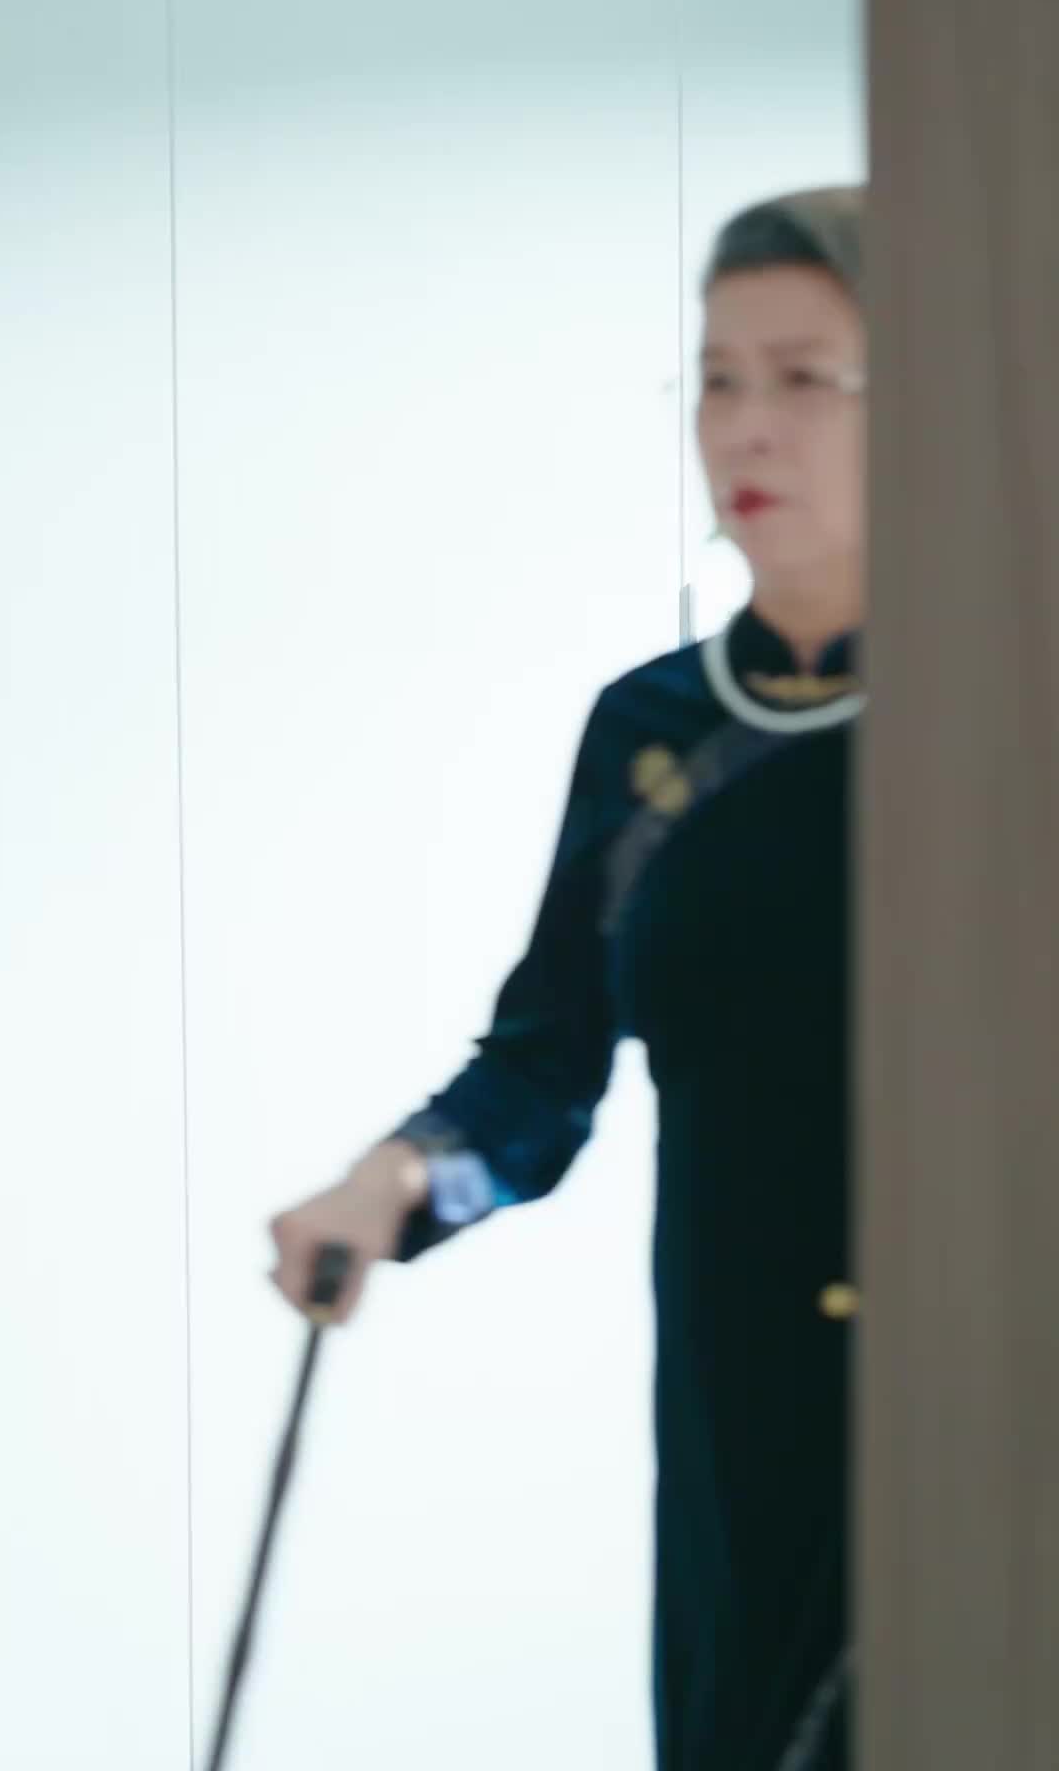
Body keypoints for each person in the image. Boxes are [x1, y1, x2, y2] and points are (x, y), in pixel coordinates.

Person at [270, 184, 867, 1771]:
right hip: (742, 1428)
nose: (748, 424)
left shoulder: (1008, 705)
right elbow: (545, 1067)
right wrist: (398, 1183)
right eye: (718, 379)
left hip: (984, 1409)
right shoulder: (653, 735)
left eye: (805, 378)